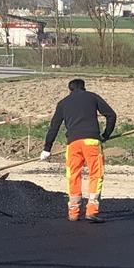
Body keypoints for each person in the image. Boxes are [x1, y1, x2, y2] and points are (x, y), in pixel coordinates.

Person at [40, 77, 117, 222]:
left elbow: (54, 127)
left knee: (73, 175)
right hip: (92, 142)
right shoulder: (92, 97)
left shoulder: (63, 103)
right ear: (84, 87)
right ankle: (92, 210)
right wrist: (105, 135)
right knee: (96, 174)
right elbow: (111, 115)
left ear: (70, 90)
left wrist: (47, 148)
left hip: (73, 144)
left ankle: (73, 213)